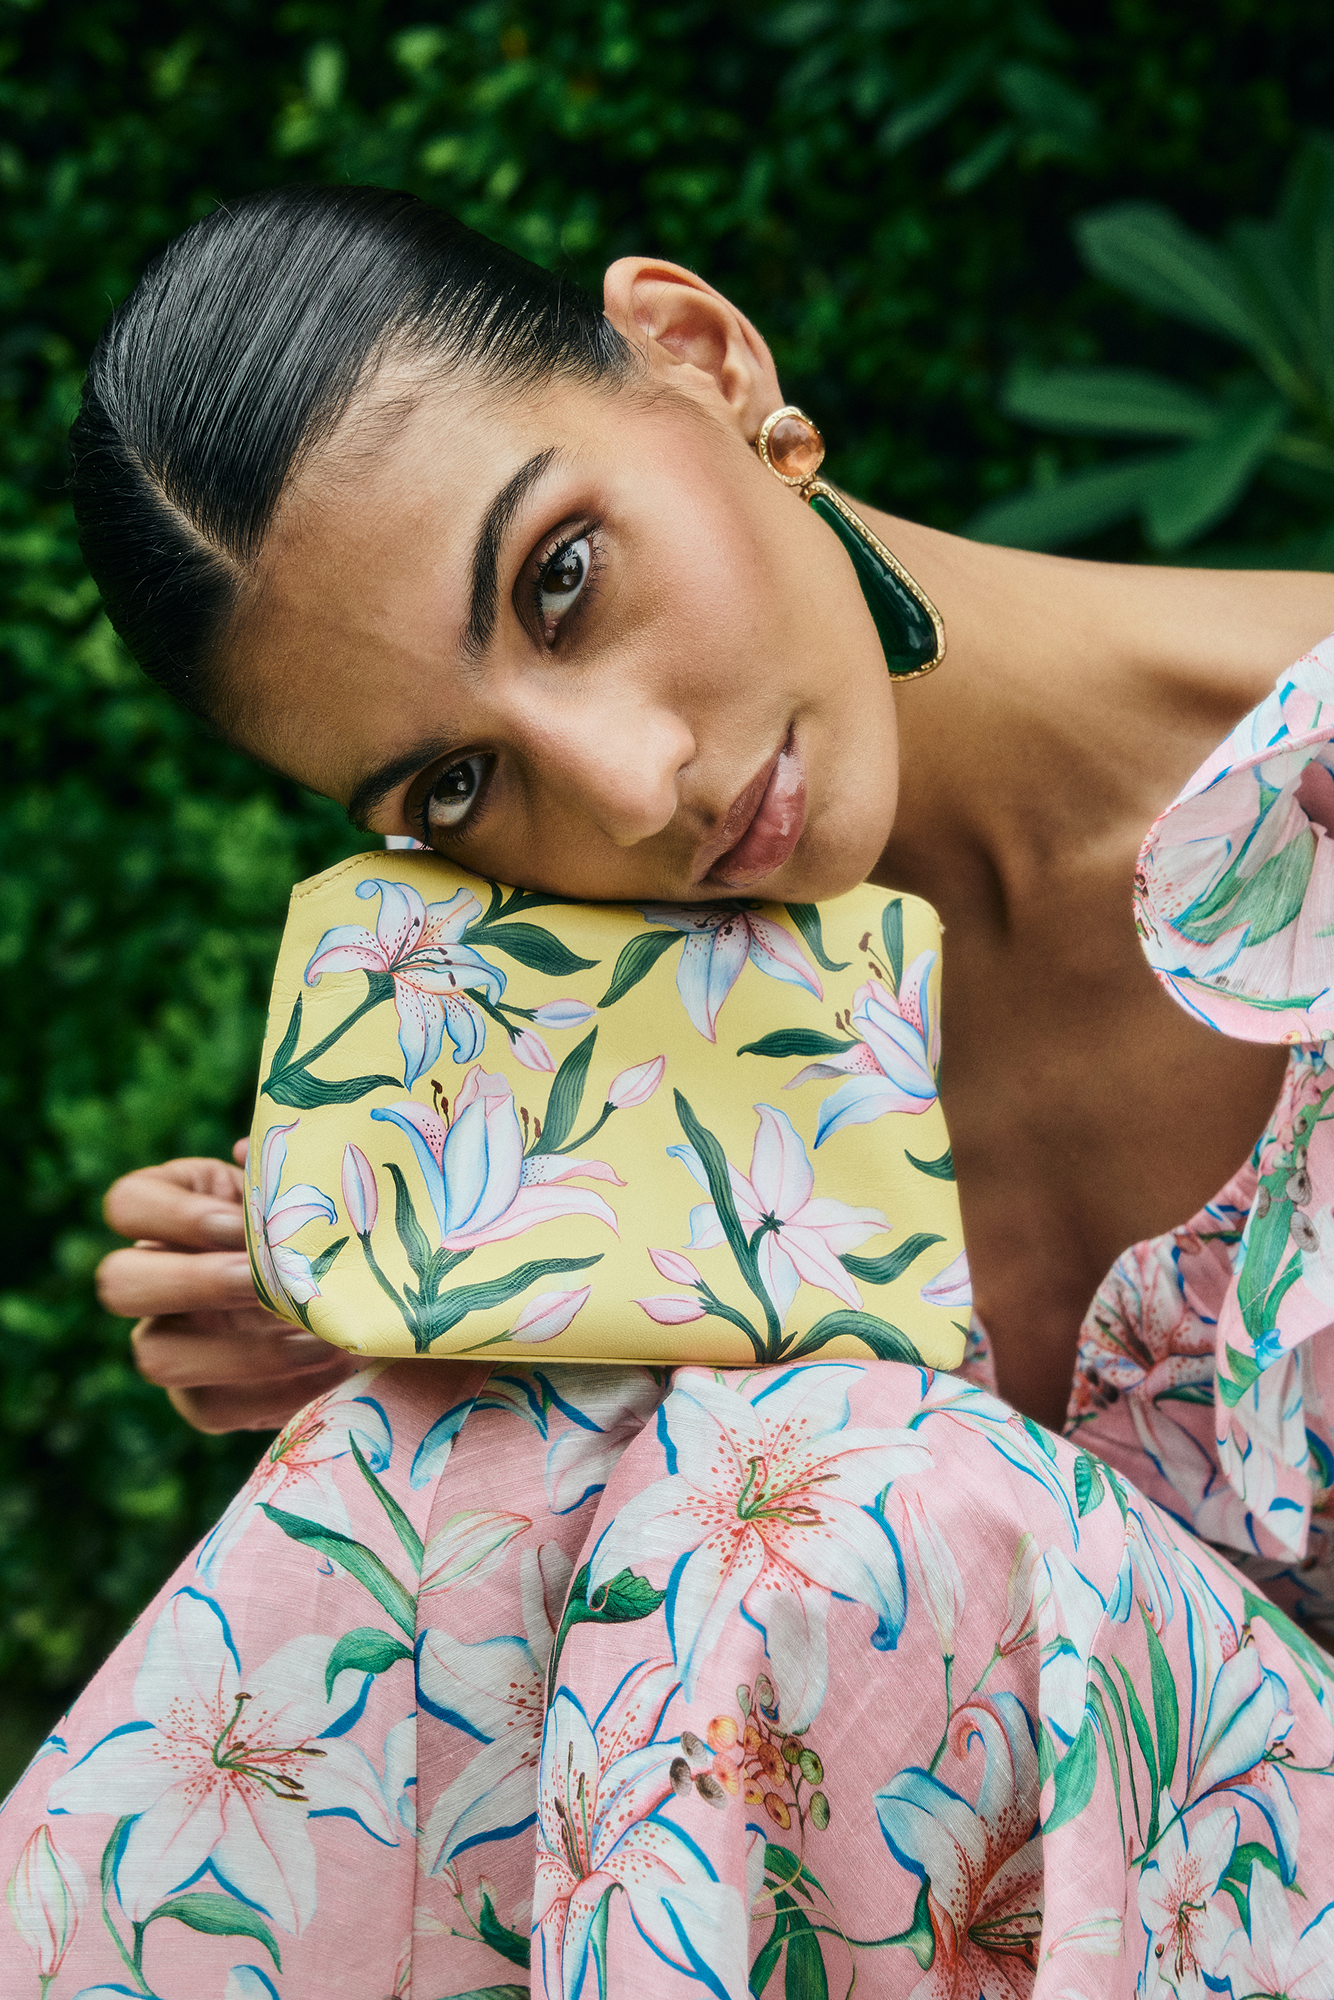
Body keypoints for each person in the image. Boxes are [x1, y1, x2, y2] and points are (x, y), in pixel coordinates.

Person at [4, 183, 1334, 1998]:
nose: (630, 791)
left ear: (701, 362)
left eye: (561, 578)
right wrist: (443, 1309)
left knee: (812, 1496)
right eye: (457, 785)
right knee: (454, 1448)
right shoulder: (579, 1068)